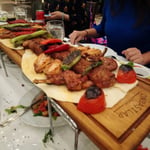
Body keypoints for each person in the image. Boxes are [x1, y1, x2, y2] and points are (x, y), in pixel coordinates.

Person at [69, 0, 150, 67]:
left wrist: (144, 58)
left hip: (140, 70)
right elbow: (102, 28)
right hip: (110, 64)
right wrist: (84, 33)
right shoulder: (110, 2)